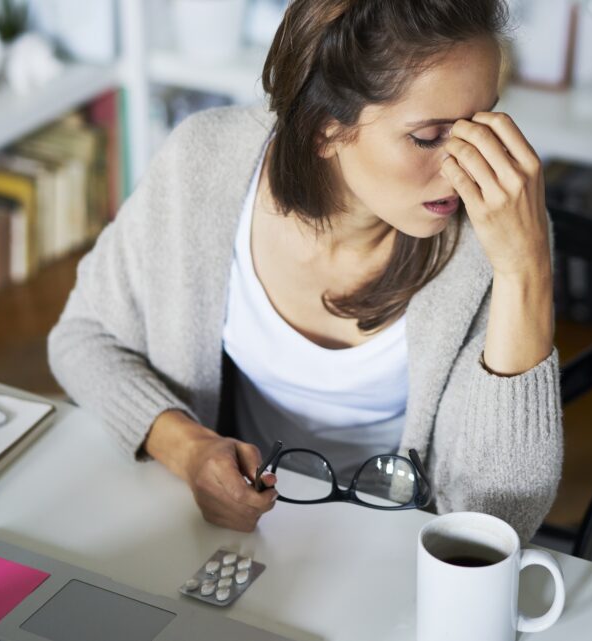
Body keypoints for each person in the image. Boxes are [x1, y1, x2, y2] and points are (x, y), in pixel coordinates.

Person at [49, 0, 562, 541]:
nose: (465, 172)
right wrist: (190, 450)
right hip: (237, 531)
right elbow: (84, 338)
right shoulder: (203, 163)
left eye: (480, 125)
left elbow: (499, 521)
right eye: (429, 137)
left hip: (399, 547)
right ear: (325, 128)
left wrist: (526, 269)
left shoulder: (500, 237)